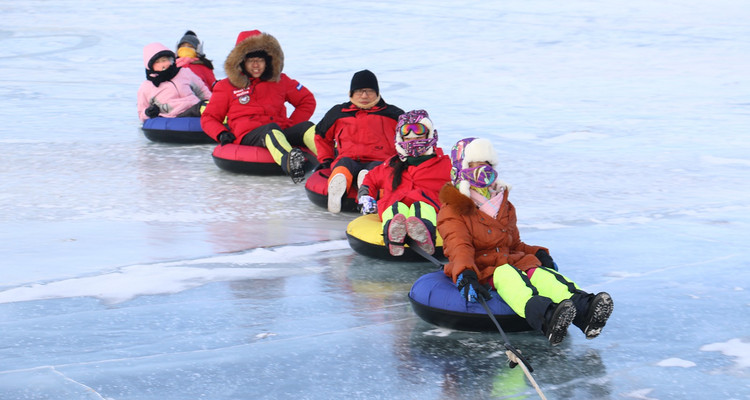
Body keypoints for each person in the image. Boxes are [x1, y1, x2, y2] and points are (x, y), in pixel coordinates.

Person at [437, 137, 614, 345]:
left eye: (487, 167)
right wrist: (465, 273)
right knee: (508, 276)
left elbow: (512, 243)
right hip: (483, 267)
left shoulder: (502, 203)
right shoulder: (454, 209)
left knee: (540, 274)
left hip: (508, 259)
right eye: (475, 167)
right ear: (462, 171)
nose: (483, 173)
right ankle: (547, 318)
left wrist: (536, 252)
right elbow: (458, 245)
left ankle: (584, 311)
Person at [201, 30, 317, 183]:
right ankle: (292, 163)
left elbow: (307, 100)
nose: (256, 65)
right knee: (270, 131)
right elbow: (209, 118)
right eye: (251, 61)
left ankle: (333, 161)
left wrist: (292, 124)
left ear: (268, 61)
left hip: (279, 129)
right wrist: (221, 133)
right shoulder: (226, 86)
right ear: (241, 61)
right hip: (248, 135)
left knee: (307, 127)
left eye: (260, 60)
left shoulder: (280, 81)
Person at [357, 110, 451, 256]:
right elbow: (370, 179)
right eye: (407, 133)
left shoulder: (444, 164)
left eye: (419, 131)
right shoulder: (391, 165)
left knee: (421, 207)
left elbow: (462, 181)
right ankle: (394, 235)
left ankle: (423, 235)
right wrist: (365, 196)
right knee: (395, 208)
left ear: (429, 135)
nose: (413, 138)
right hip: (394, 205)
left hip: (429, 205)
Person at [315, 69, 404, 212]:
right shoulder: (338, 113)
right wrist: (326, 160)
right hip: (348, 158)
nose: (364, 95)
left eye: (369, 91)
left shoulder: (393, 114)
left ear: (377, 93)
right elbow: (321, 136)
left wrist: (402, 162)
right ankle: (337, 190)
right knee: (342, 165)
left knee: (374, 170)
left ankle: (367, 187)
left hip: (379, 161)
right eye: (359, 91)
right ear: (351, 93)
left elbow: (408, 138)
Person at [137, 42, 211, 122]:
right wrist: (148, 112)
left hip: (194, 109)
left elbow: (203, 91)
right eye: (157, 62)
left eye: (164, 60)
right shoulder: (147, 86)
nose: (162, 64)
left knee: (208, 107)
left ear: (170, 60)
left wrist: (212, 103)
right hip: (171, 116)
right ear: (151, 65)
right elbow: (141, 113)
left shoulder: (184, 72)